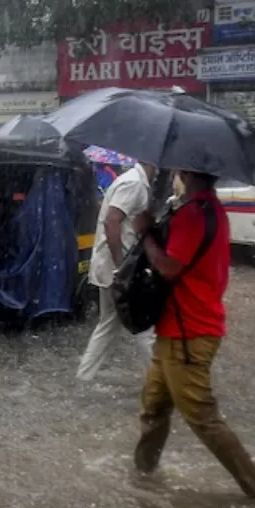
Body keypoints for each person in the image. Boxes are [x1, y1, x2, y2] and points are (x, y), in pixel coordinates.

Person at [132, 169, 255, 502]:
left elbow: (169, 267)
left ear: (185, 173)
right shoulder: (211, 208)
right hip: (180, 329)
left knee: (202, 417)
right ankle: (143, 476)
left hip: (188, 332)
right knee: (154, 407)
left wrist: (145, 235)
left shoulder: (193, 214)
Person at [77, 161, 157, 381]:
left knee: (109, 324)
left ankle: (84, 377)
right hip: (120, 269)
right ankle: (162, 385)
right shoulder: (134, 184)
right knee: (143, 326)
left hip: (112, 267)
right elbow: (112, 221)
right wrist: (121, 266)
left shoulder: (134, 181)